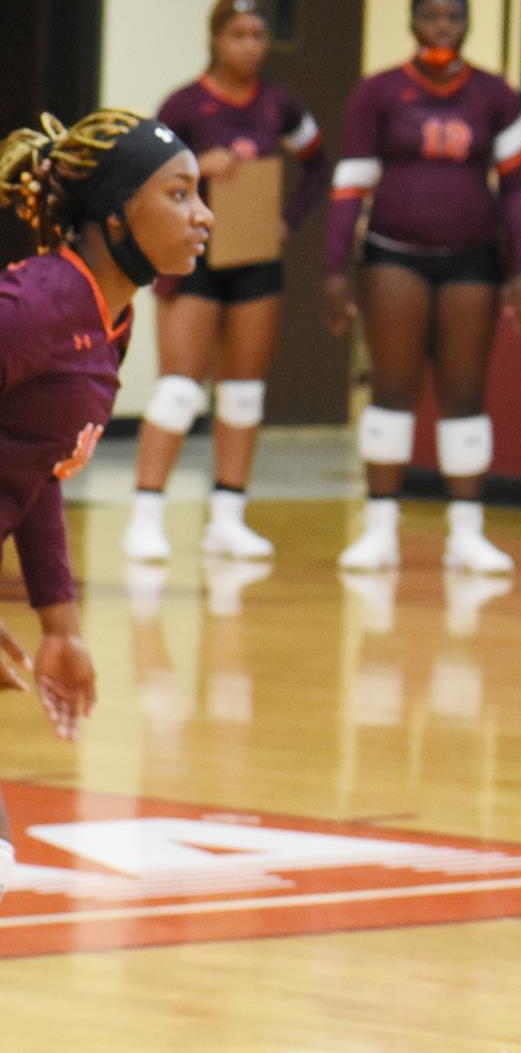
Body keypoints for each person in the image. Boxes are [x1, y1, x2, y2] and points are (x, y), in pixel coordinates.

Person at [0, 108, 214, 896]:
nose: (204, 215)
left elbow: (36, 468)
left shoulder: (106, 316)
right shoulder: (31, 310)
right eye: (180, 193)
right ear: (118, 212)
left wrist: (62, 624)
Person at [323, 0, 521, 575]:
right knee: (392, 388)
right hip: (394, 254)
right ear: (412, 23)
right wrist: (335, 268)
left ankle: (467, 531)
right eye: (431, 15)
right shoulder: (380, 92)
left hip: (473, 257)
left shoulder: (497, 95)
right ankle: (380, 528)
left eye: (454, 16)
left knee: (464, 393)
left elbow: (518, 189)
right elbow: (350, 185)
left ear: (468, 24)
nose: (442, 25)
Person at [123, 0, 328, 563]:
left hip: (255, 258)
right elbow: (142, 174)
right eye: (237, 34)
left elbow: (317, 160)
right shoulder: (186, 104)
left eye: (258, 35)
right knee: (180, 389)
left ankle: (228, 516)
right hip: (194, 259)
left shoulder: (280, 105)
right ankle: (146, 513)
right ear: (215, 39)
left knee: (241, 393)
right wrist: (194, 168)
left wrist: (286, 221)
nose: (249, 46)